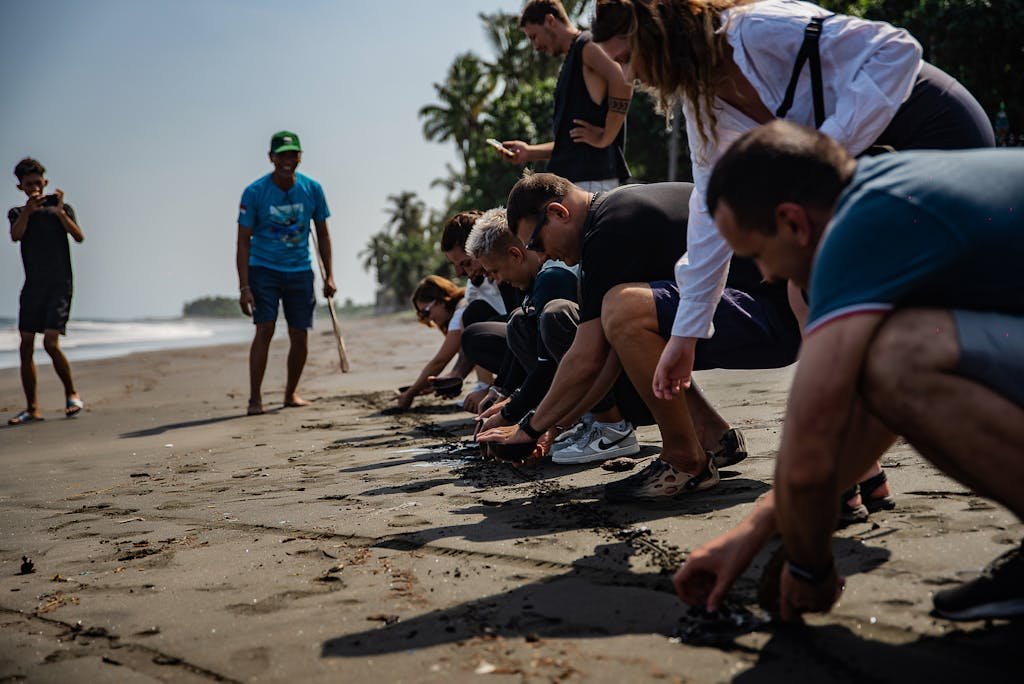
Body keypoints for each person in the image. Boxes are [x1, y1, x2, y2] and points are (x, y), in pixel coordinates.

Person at [591, 0, 994, 515]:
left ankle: (844, 470)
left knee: (816, 291)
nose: (627, 74)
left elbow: (898, 50)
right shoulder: (703, 102)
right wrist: (686, 335)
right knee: (808, 289)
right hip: (860, 165)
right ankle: (859, 473)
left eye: (627, 57)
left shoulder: (757, 28)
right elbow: (709, 211)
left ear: (656, 32)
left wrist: (824, 151)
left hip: (929, 131)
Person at [674, 120, 1024, 623]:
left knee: (895, 354)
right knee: (888, 360)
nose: (767, 275)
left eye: (756, 255)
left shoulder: (852, 232)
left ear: (793, 223)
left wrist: (810, 569)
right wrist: (752, 530)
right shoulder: (890, 188)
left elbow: (809, 456)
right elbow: (873, 411)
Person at [478, 174, 798, 491]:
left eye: (536, 243)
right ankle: (713, 436)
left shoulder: (611, 229)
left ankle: (684, 460)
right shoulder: (615, 212)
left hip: (776, 316)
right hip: (765, 311)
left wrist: (528, 429)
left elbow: (587, 358)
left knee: (625, 307)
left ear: (558, 213)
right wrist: (549, 426)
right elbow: (609, 359)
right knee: (627, 318)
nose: (542, 255)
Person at [465, 208, 636, 465]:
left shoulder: (552, 278)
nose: (498, 281)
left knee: (555, 314)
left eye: (495, 272)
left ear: (515, 254)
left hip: (630, 387)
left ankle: (611, 426)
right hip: (593, 382)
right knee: (519, 323)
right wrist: (506, 396)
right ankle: (579, 419)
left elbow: (549, 367)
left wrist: (520, 417)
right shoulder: (533, 280)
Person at [237, 131, 335, 416]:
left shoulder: (312, 189)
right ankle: (255, 399)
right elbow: (243, 240)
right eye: (282, 155)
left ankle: (291, 392)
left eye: (293, 154)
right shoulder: (254, 193)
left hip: (300, 270)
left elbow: (323, 234)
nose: (287, 160)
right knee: (264, 328)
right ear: (271, 158)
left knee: (299, 334)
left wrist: (329, 275)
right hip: (263, 269)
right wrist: (244, 286)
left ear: (300, 157)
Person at [502, 0, 633, 191]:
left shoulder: (586, 45)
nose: (536, 46)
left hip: (592, 181)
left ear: (550, 20)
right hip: (578, 183)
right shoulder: (573, 57)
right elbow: (571, 142)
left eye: (534, 37)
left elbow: (622, 78)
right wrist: (529, 152)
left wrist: (607, 136)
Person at [7, 158, 85, 425]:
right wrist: (29, 211)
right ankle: (33, 408)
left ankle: (72, 394)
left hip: (60, 286)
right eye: (28, 184)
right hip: (32, 288)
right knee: (26, 345)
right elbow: (16, 236)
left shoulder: (61, 209)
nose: (34, 188)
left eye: (37, 183)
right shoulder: (18, 213)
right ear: (20, 186)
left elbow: (79, 237)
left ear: (45, 182)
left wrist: (61, 212)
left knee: (51, 343)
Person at [395, 276, 475, 410]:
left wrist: (410, 393)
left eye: (426, 312)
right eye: (422, 315)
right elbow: (468, 356)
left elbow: (439, 361)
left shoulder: (461, 312)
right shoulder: (463, 306)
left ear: (441, 300)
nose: (428, 318)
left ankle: (486, 387)